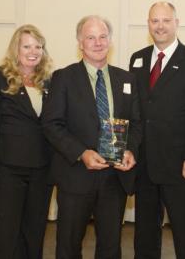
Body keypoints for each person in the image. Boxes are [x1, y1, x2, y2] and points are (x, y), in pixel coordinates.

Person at [41, 15, 141, 259]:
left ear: (110, 40)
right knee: (68, 245)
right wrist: (81, 153)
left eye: (103, 36)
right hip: (75, 176)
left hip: (114, 178)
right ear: (80, 43)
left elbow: (136, 123)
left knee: (110, 247)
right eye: (91, 37)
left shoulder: (126, 79)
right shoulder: (63, 78)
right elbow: (51, 124)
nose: (98, 43)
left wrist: (130, 151)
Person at [129, 1, 185, 258]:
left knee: (184, 235)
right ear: (148, 24)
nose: (160, 26)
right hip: (144, 165)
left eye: (166, 20)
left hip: (181, 167)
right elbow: (133, 110)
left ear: (176, 23)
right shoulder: (138, 59)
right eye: (155, 21)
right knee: (144, 235)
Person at [0, 24, 53, 258]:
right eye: (27, 46)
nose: (33, 51)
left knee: (34, 237)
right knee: (6, 240)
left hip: (41, 173)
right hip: (6, 173)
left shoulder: (49, 82)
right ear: (16, 48)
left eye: (38, 46)